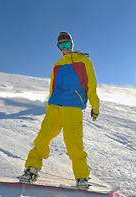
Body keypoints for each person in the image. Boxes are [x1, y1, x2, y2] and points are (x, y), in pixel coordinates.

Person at [18, 31, 100, 187]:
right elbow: (52, 88)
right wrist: (49, 107)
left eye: (67, 44)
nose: (65, 48)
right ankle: (31, 169)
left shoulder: (84, 61)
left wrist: (95, 106)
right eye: (61, 45)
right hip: (55, 107)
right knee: (42, 139)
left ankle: (82, 177)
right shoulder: (57, 65)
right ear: (59, 48)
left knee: (74, 143)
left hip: (73, 108)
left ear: (72, 44)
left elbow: (91, 85)